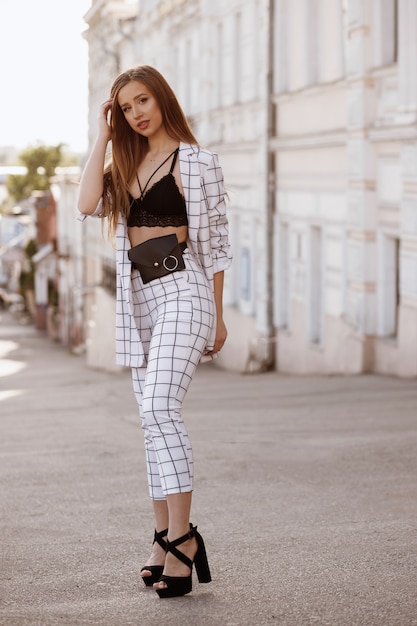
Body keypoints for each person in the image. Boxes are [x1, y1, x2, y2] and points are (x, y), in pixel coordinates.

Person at [77, 65, 232, 598]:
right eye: (125, 107)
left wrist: (217, 313)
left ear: (162, 99)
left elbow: (215, 245)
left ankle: (184, 538)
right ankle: (163, 537)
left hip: (184, 289)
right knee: (149, 418)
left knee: (160, 407)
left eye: (143, 100)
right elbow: (84, 203)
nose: (136, 113)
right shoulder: (125, 162)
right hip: (141, 297)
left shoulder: (196, 162)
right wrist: (102, 137)